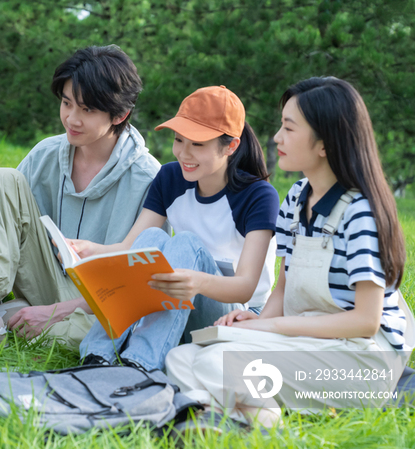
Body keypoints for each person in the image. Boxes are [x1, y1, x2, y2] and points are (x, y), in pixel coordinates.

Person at [165, 77, 413, 428]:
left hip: (361, 359)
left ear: (324, 144)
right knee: (181, 357)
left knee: (214, 363)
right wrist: (259, 322)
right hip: (307, 340)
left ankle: (259, 425)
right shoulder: (296, 198)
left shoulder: (360, 212)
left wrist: (273, 329)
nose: (277, 138)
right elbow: (285, 285)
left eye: (288, 128)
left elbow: (365, 321)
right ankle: (233, 416)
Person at [0, 45, 162, 347]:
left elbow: (139, 286)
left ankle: (17, 321)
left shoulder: (149, 178)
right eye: (67, 103)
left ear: (120, 115)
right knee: (3, 178)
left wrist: (56, 312)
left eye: (87, 110)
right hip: (46, 282)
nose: (72, 118)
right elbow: (3, 231)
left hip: (100, 306)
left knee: (104, 335)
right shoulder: (45, 154)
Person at [74, 85, 280, 371]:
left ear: (230, 146)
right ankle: (96, 355)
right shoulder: (171, 177)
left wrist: (196, 281)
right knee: (152, 237)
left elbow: (245, 288)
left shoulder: (259, 196)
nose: (184, 153)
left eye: (197, 144)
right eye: (179, 140)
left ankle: (141, 364)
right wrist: (88, 251)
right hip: (179, 307)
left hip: (236, 317)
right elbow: (130, 246)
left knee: (185, 243)